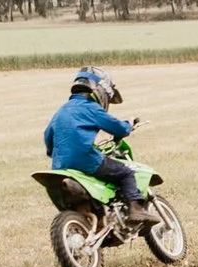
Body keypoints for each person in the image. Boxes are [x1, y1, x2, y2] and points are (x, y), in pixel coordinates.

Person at [43, 66, 143, 207]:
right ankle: (136, 209)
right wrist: (128, 125)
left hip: (60, 166)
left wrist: (53, 152)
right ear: (99, 89)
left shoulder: (62, 109)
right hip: (85, 160)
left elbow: (48, 136)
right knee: (125, 172)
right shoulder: (90, 107)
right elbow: (117, 127)